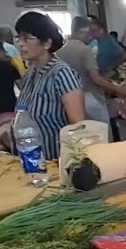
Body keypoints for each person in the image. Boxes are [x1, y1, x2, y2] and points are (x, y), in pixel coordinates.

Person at [12, 11, 85, 159]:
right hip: (31, 159)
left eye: (27, 38)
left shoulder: (62, 74)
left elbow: (78, 126)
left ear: (46, 43)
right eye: (18, 37)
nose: (20, 44)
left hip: (57, 163)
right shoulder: (30, 73)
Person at [60, 15, 126, 125]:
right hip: (90, 99)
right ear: (82, 32)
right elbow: (95, 78)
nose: (91, 37)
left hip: (70, 102)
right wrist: (120, 89)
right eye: (89, 34)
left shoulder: (60, 52)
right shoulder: (85, 50)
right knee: (101, 135)